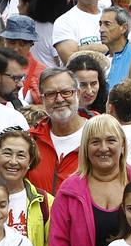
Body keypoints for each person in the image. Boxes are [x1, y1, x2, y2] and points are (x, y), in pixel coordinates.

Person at [49, 114, 131, 246]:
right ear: (85, 148)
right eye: (95, 142)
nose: (103, 148)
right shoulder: (68, 191)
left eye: (111, 140)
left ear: (123, 145)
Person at [29, 67, 87, 195]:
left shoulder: (98, 136)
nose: (59, 99)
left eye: (66, 92)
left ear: (78, 93)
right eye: (51, 94)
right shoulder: (31, 140)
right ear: (42, 99)